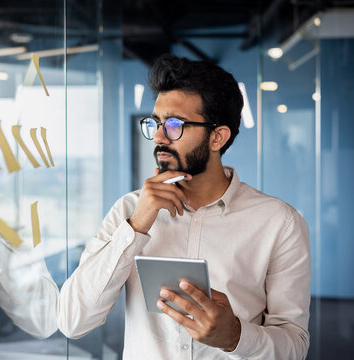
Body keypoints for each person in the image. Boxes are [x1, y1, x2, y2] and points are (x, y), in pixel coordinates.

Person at [58, 54, 311, 359]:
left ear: (217, 137)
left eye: (175, 124)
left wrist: (235, 336)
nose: (158, 137)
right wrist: (136, 227)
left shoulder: (279, 223)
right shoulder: (129, 210)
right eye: (155, 123)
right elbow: (72, 321)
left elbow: (294, 346)